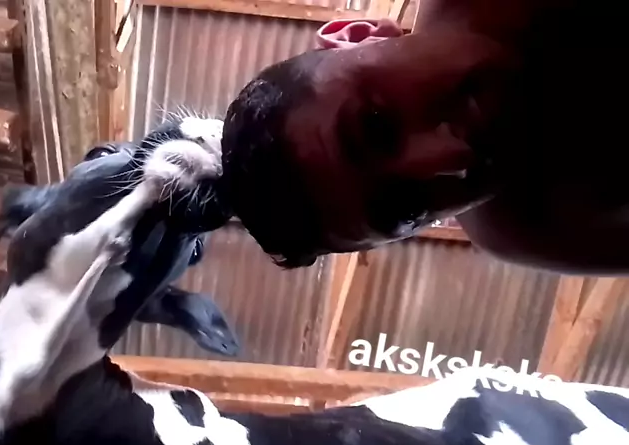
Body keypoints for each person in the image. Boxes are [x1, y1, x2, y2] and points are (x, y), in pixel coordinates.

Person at [218, 0, 628, 276]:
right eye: (408, 206)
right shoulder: (526, 228)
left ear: (358, 34)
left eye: (377, 124)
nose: (451, 155)